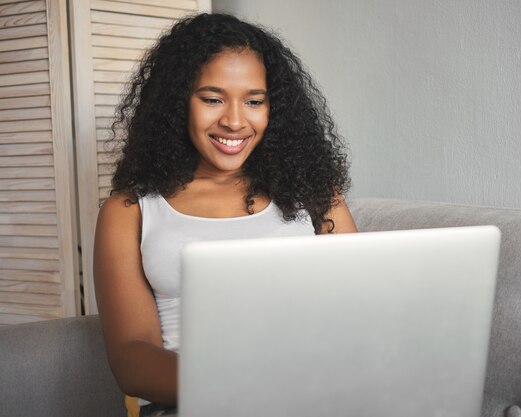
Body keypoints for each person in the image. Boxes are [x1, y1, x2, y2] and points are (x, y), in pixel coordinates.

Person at [93, 12, 357, 417]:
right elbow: (131, 358)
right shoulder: (129, 211)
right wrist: (241, 385)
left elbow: (363, 309)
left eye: (254, 101)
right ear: (178, 102)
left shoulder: (316, 195)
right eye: (212, 98)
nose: (234, 120)